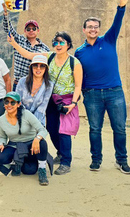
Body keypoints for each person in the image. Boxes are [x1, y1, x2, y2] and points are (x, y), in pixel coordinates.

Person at [7, 32, 82, 176]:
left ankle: (66, 162)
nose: (58, 45)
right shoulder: (49, 56)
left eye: (62, 42)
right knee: (52, 129)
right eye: (56, 42)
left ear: (68, 45)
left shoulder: (75, 63)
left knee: (64, 131)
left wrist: (73, 103)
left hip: (67, 100)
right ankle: (61, 153)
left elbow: (78, 85)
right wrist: (14, 43)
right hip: (51, 99)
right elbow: (29, 55)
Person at [75, 0, 130, 174]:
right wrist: (82, 92)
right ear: (84, 30)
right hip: (92, 96)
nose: (93, 29)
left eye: (96, 27)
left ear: (99, 29)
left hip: (114, 92)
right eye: (90, 27)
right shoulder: (79, 52)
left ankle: (121, 160)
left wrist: (121, 6)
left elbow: (117, 23)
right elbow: (78, 74)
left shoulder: (108, 40)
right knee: (94, 129)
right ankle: (96, 160)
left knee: (120, 129)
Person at [0, 92, 50, 186]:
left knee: (42, 144)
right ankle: (16, 163)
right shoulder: (0, 120)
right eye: (7, 102)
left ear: (18, 104)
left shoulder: (26, 114)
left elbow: (42, 130)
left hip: (31, 145)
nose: (9, 105)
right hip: (14, 146)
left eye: (12, 102)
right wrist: (1, 144)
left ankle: (42, 169)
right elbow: (3, 137)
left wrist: (37, 138)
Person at [2, 3, 49, 91]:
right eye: (28, 29)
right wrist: (6, 15)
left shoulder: (45, 49)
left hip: (35, 85)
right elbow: (8, 29)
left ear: (38, 30)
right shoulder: (19, 40)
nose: (31, 30)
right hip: (18, 84)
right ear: (24, 31)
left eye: (33, 29)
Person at [15, 55, 53, 126]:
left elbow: (42, 107)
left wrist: (32, 122)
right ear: (31, 68)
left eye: (42, 66)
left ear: (46, 69)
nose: (38, 69)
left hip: (38, 122)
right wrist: (25, 118)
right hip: (21, 120)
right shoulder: (22, 81)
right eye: (35, 65)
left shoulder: (49, 85)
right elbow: (17, 101)